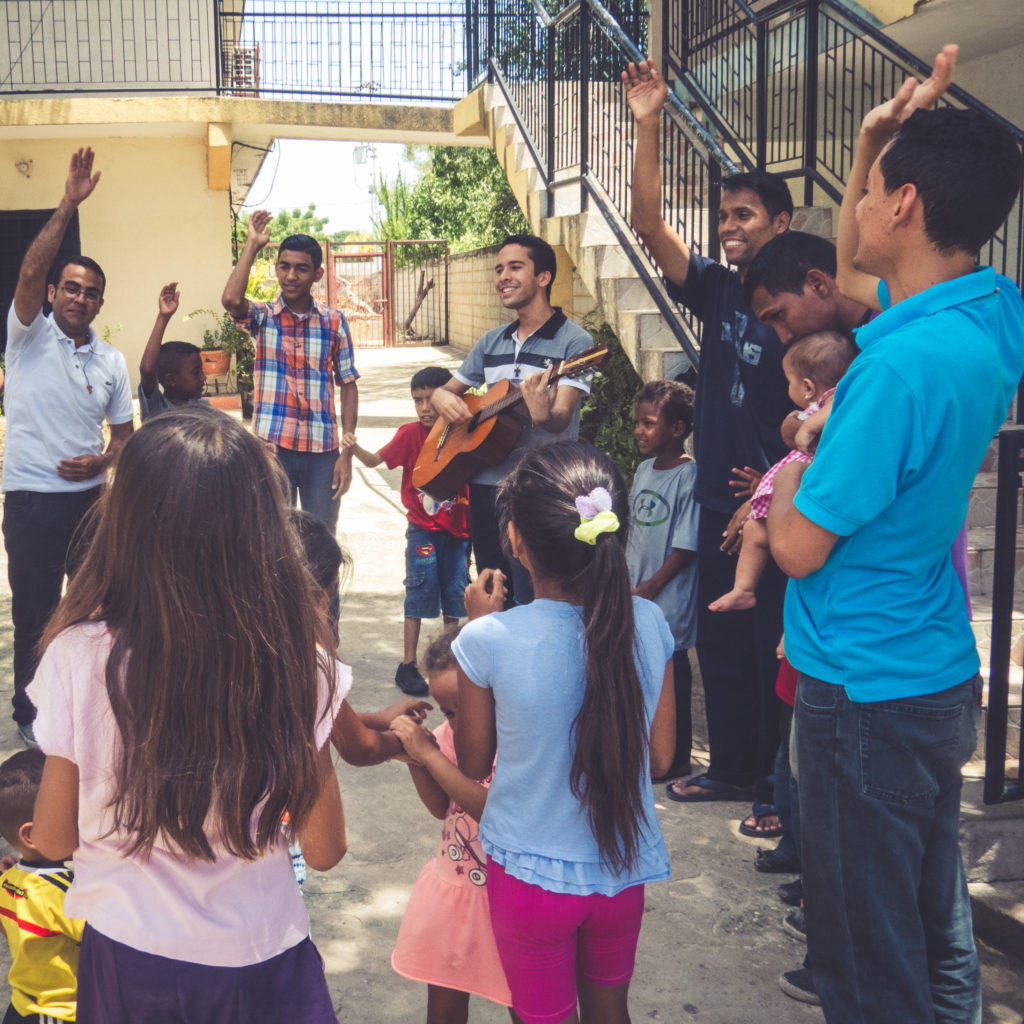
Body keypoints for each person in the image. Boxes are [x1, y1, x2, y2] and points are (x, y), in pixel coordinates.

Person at [767, 45, 1024, 1022]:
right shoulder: (989, 313)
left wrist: (798, 451)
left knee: (864, 952)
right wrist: (875, 136)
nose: (860, 206)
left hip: (861, 687)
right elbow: (842, 273)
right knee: (927, 916)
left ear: (905, 204)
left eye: (868, 186)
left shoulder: (888, 376)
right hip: (928, 669)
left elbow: (794, 549)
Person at [27, 407, 348, 1023]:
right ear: (262, 525)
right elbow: (325, 847)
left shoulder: (77, 656)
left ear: (125, 522)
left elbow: (56, 838)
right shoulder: (296, 663)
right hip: (264, 952)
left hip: (131, 957)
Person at [453, 441, 676, 1024]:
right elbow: (661, 757)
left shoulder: (488, 641)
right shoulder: (650, 623)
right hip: (622, 868)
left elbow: (476, 763)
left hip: (530, 879)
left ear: (518, 543)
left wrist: (483, 631)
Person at [623, 59, 793, 805]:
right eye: (724, 217)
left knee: (770, 652)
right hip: (719, 503)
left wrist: (773, 480)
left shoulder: (804, 296)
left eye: (745, 216)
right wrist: (650, 121)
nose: (729, 229)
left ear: (781, 224)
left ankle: (775, 785)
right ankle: (732, 769)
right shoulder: (720, 288)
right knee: (723, 646)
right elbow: (648, 225)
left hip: (779, 506)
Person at [2, 147, 134, 748]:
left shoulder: (111, 361)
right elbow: (28, 273)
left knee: (91, 613)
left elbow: (126, 440)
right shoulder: (27, 338)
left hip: (89, 505)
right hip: (30, 501)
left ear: (100, 303)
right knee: (33, 612)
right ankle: (31, 718)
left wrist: (103, 461)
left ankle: (84, 708)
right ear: (55, 292)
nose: (80, 298)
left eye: (91, 292)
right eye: (71, 287)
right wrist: (68, 203)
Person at [430, 235, 593, 605]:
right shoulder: (491, 341)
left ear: (543, 277)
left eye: (515, 267)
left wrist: (543, 412)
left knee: (538, 591)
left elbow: (559, 418)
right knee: (492, 584)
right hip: (485, 481)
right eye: (499, 269)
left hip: (539, 486)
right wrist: (441, 396)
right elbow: (450, 390)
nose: (502, 276)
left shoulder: (575, 343)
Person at [389, 627, 513, 1023]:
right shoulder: (447, 738)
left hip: (511, 901)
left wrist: (430, 755)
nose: (455, 723)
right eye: (448, 712)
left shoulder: (519, 745)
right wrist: (417, 758)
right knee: (443, 1011)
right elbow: (441, 807)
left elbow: (492, 811)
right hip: (455, 897)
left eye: (463, 708)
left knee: (528, 1005)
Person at [222, 210, 358, 530]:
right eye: (285, 266)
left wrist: (347, 455)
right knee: (272, 541)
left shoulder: (334, 322)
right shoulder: (263, 318)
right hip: (271, 451)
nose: (291, 276)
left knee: (320, 542)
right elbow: (231, 300)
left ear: (317, 274)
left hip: (322, 453)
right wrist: (252, 245)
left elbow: (348, 384)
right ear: (276, 268)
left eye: (301, 268)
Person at [343, 366, 471, 697]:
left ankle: (448, 662)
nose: (425, 407)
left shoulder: (466, 432)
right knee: (418, 593)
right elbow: (373, 461)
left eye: (431, 398)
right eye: (418, 401)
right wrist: (352, 446)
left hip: (459, 533)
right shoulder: (409, 435)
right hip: (423, 531)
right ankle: (408, 664)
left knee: (455, 598)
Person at [710, 331, 854, 613]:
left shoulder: (836, 397)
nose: (787, 389)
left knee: (799, 555)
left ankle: (780, 621)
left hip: (809, 483)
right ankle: (744, 589)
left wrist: (808, 426)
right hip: (798, 483)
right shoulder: (818, 405)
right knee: (755, 531)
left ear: (808, 387)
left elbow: (833, 410)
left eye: (790, 382)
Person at [626, 380, 698, 783]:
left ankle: (678, 757)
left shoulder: (689, 476)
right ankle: (650, 749)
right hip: (637, 590)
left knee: (673, 674)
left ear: (677, 428)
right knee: (641, 672)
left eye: (649, 423)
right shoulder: (642, 469)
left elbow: (687, 546)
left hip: (668, 596)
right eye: (638, 422)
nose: (639, 430)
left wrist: (653, 585)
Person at [0, 748, 84, 1024]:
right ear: (32, 834)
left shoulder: (7, 880)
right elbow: (109, 943)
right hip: (61, 1012)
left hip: (23, 1006)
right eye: (76, 814)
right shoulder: (67, 892)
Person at [137, 281, 208, 420]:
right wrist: (163, 317)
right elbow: (147, 371)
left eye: (201, 371)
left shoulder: (204, 408)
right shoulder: (157, 408)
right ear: (172, 380)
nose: (203, 377)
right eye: (195, 372)